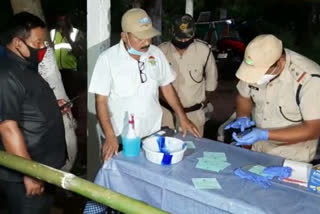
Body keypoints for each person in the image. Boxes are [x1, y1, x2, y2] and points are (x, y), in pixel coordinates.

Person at [88, 8, 200, 162]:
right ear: (124, 36)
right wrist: (110, 136)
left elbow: (167, 87)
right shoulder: (107, 60)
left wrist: (182, 117)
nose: (146, 42)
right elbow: (100, 101)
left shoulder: (156, 54)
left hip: (151, 137)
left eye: (149, 36)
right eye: (140, 37)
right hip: (120, 140)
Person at [0, 12, 66, 213]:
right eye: (37, 43)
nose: (42, 49)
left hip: (43, 167)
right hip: (26, 175)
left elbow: (26, 105)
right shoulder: (6, 76)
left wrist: (54, 106)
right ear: (18, 42)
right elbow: (7, 128)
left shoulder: (25, 66)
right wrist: (29, 174)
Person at [225, 34, 320, 162]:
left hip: (293, 153)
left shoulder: (309, 80)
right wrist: (243, 116)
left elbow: (312, 129)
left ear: (279, 63)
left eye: (260, 74)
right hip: (258, 146)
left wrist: (265, 134)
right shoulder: (255, 63)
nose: (256, 78)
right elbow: (243, 97)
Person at [159, 14, 218, 136]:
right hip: (166, 114)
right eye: (180, 38)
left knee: (194, 151)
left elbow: (211, 84)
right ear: (172, 32)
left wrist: (200, 104)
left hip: (194, 116)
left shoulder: (204, 51)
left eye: (187, 38)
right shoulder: (161, 51)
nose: (183, 41)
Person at [50, 10, 84, 99]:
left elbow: (79, 53)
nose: (61, 22)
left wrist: (68, 37)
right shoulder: (52, 33)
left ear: (69, 20)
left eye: (64, 20)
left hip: (71, 72)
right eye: (60, 20)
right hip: (56, 72)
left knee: (72, 99)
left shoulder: (76, 33)